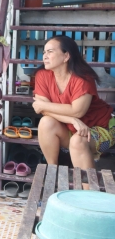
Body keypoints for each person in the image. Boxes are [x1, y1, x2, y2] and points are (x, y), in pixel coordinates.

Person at [33, 35, 115, 170]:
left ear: (66, 56)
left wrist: (43, 105)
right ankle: (53, 171)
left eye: (50, 52)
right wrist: (71, 120)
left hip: (102, 126)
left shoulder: (83, 77)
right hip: (72, 127)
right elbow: (43, 110)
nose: (45, 56)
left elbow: (77, 111)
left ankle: (87, 184)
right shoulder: (42, 75)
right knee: (46, 122)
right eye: (44, 52)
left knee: (78, 141)